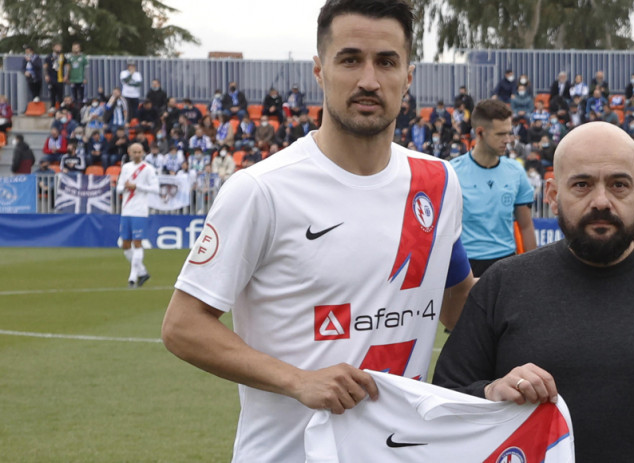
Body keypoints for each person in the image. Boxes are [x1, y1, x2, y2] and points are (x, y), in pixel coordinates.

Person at [161, 1, 474, 461]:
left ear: (408, 77)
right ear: (319, 71)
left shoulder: (438, 182)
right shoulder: (261, 190)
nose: (369, 79)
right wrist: (299, 380)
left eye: (386, 61)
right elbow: (182, 326)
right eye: (350, 59)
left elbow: (459, 300)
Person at [432, 121, 634, 462]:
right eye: (582, 185)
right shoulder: (504, 284)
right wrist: (490, 392)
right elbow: (445, 397)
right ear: (553, 196)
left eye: (618, 185)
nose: (601, 201)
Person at [450, 99, 536, 277]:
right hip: (465, 265)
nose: (508, 140)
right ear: (480, 133)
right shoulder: (452, 172)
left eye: (509, 133)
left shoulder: (516, 171)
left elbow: (526, 226)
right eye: (501, 134)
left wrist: (533, 272)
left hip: (505, 263)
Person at [116, 143, 159, 288]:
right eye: (134, 152)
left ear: (143, 153)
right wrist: (126, 187)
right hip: (126, 209)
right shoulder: (126, 168)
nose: (137, 154)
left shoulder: (148, 169)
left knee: (137, 242)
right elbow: (118, 188)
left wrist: (138, 186)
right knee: (125, 244)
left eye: (139, 152)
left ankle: (132, 278)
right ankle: (142, 272)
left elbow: (155, 188)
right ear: (129, 152)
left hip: (140, 211)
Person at [67, 42, 88, 109]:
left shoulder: (83, 57)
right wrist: (67, 77)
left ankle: (81, 108)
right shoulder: (69, 57)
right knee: (74, 96)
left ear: (79, 48)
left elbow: (86, 68)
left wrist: (85, 78)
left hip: (81, 79)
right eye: (74, 48)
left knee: (81, 96)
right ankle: (75, 109)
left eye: (77, 47)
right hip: (72, 79)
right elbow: (68, 68)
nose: (75, 49)